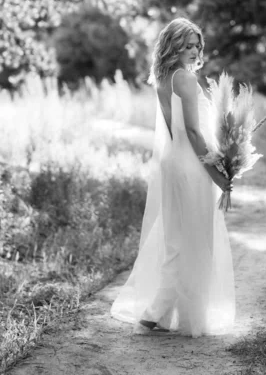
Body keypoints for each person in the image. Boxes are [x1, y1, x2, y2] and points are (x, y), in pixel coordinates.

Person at [110, 17, 235, 337]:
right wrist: (217, 171)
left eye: (197, 45)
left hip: (172, 162)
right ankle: (162, 314)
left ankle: (161, 313)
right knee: (193, 238)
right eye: (187, 45)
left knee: (176, 237)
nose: (194, 51)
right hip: (190, 165)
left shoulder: (163, 77)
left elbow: (175, 131)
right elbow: (193, 131)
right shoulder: (186, 81)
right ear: (173, 45)